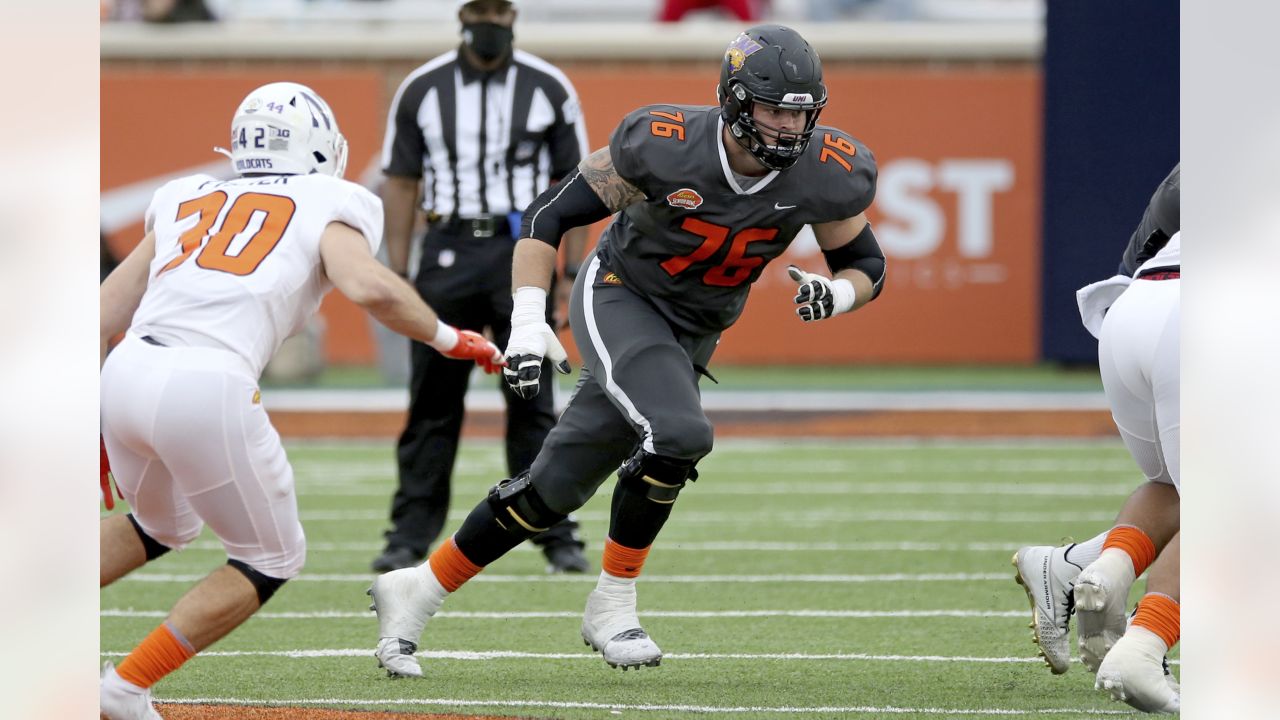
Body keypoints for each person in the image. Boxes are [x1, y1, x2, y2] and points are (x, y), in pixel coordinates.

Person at [368, 24, 886, 677]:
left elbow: (864, 260)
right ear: (733, 99)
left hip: (696, 325)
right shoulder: (663, 144)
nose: (789, 126)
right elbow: (548, 214)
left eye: (802, 111)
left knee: (554, 487)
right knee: (678, 431)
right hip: (622, 296)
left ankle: (417, 588)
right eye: (775, 108)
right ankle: (613, 603)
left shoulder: (827, 173)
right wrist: (530, 318)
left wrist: (840, 294)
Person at [98, 82, 504, 720]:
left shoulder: (186, 197)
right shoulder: (330, 197)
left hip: (126, 372)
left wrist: (93, 420)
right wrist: (449, 337)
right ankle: (125, 687)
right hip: (207, 379)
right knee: (270, 556)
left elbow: (101, 315)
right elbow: (368, 286)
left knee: (160, 526)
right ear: (317, 147)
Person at [372, 0, 590, 574]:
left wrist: (567, 274)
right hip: (446, 249)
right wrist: (399, 273)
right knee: (432, 401)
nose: (489, 21)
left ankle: (554, 529)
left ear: (513, 15)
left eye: (499, 10)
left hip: (525, 249)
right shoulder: (423, 87)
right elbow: (401, 179)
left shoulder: (548, 85)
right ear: (462, 15)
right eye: (480, 9)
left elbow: (578, 186)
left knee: (531, 397)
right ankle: (410, 533)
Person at [1012, 166, 1180, 711]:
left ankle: (1079, 568)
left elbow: (1146, 242)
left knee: (1175, 486)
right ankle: (1144, 644)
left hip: (1138, 302)